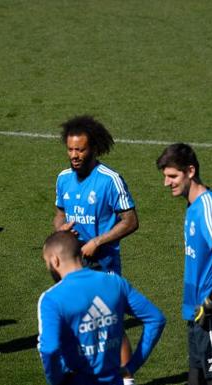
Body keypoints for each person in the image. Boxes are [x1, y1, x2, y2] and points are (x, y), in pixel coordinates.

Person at [53, 115, 139, 383]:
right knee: (76, 322)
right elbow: (59, 213)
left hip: (104, 265)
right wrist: (61, 229)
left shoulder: (110, 180)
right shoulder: (64, 178)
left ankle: (127, 380)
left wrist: (98, 242)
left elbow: (131, 220)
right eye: (70, 149)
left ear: (93, 149)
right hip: (72, 265)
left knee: (111, 324)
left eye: (80, 149)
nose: (75, 155)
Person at [156, 143, 212, 385]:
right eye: (165, 177)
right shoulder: (192, 206)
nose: (167, 183)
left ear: (190, 171)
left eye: (172, 176)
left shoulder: (209, 208)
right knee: (195, 380)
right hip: (199, 311)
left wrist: (211, 302)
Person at [37, 231, 165, 385]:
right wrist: (132, 366)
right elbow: (156, 319)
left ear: (55, 260)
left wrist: (56, 381)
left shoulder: (51, 299)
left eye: (47, 262)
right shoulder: (115, 283)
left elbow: (50, 349)